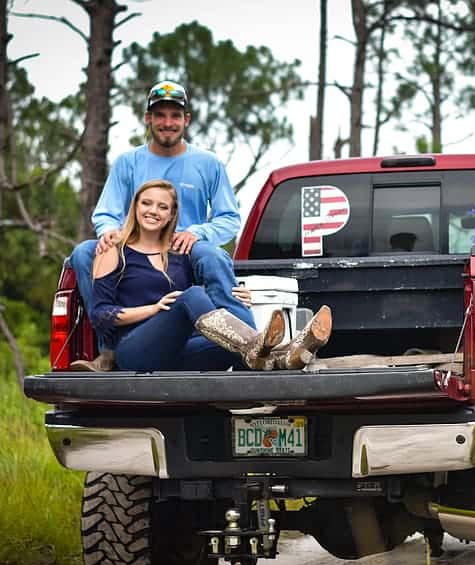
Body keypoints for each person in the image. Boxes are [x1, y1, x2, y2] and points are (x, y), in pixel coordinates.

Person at [70, 80, 247, 371]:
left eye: (175, 115)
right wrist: (110, 234)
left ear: (186, 120)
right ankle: (109, 350)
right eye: (160, 115)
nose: (168, 122)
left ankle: (251, 345)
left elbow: (229, 219)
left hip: (186, 249)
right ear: (148, 118)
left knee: (213, 256)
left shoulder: (208, 163)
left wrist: (198, 233)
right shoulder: (129, 162)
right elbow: (105, 213)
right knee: (84, 251)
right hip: (138, 247)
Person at [88, 179, 331, 372]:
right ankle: (266, 346)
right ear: (135, 207)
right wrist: (154, 309)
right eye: (146, 203)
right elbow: (99, 314)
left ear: (172, 215)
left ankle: (281, 357)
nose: (153, 211)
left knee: (230, 342)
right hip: (135, 351)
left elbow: (201, 308)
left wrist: (237, 297)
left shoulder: (180, 255)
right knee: (191, 295)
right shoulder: (114, 250)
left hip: (180, 352)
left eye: (162, 207)